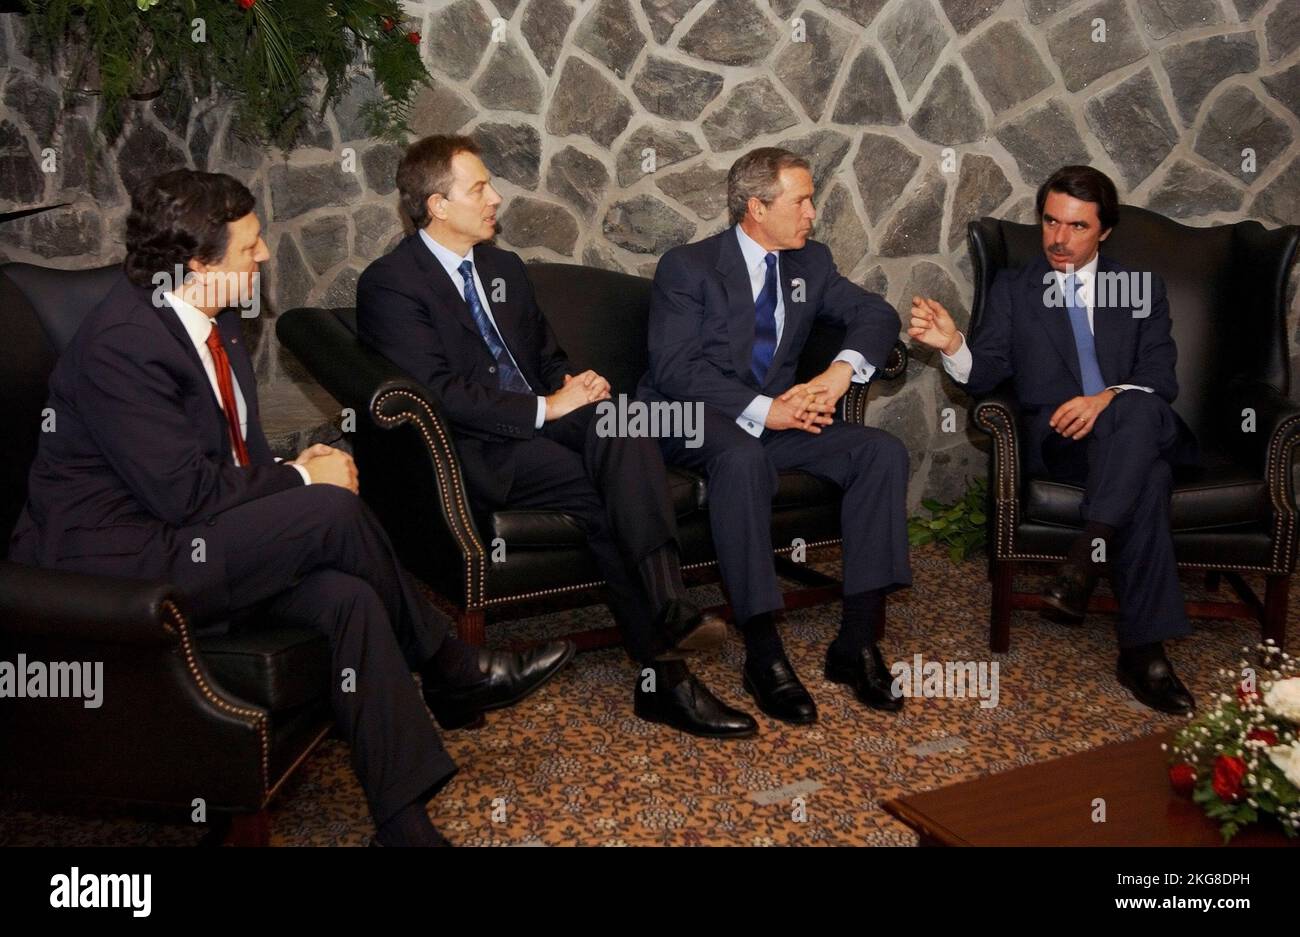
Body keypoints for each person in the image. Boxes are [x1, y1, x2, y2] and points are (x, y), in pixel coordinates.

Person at [8, 169, 574, 845]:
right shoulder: (122, 347)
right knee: (328, 510)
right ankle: (450, 664)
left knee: (347, 598)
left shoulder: (218, 328)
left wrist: (290, 476)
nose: (266, 256)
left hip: (189, 534)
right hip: (117, 566)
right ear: (197, 261)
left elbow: (233, 469)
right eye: (250, 247)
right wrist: (301, 477)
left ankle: (404, 823)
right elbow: (184, 493)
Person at [356, 136, 739, 738]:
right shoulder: (392, 284)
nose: (495, 197)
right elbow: (439, 392)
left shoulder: (504, 269)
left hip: (545, 416)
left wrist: (573, 382)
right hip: (479, 447)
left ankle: (669, 608)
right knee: (599, 496)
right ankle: (666, 675)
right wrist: (544, 406)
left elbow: (545, 356)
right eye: (479, 187)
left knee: (625, 420)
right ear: (436, 204)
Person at [908, 164, 1198, 715]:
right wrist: (952, 346)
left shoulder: (1137, 287)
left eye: (1077, 227)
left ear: (1104, 231)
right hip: (1064, 443)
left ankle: (1091, 569)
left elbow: (1161, 379)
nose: (1059, 239)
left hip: (1133, 429)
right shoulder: (1018, 290)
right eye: (1049, 222)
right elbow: (988, 370)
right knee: (1149, 474)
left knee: (1138, 415)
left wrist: (1104, 398)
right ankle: (1140, 648)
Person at [638, 146, 912, 728]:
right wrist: (767, 410)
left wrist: (838, 375)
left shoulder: (810, 264)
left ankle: (856, 644)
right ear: (757, 207)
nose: (813, 212)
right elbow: (675, 369)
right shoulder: (687, 267)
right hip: (685, 418)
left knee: (879, 452)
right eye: (802, 200)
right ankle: (763, 655)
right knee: (740, 458)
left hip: (776, 420)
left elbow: (876, 314)